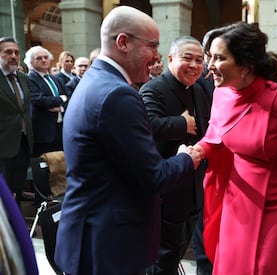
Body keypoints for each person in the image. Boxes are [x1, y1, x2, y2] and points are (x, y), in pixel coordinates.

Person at [54, 6, 202, 275]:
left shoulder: (96, 82)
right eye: (153, 46)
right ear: (123, 42)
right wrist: (186, 158)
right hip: (108, 245)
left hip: (93, 236)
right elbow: (153, 177)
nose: (157, 57)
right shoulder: (117, 95)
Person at [193, 22, 277, 275]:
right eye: (211, 58)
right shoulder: (221, 94)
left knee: (265, 269)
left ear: (246, 64)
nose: (210, 66)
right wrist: (196, 151)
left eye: (219, 58)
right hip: (236, 201)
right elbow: (215, 136)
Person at [140, 36, 210, 275]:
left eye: (199, 60)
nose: (194, 65)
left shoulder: (198, 89)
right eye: (187, 58)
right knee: (163, 257)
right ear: (170, 59)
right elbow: (146, 125)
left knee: (179, 248)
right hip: (167, 188)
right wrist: (181, 124)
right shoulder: (153, 88)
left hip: (193, 188)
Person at [0, 37, 34, 207]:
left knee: (17, 188)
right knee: (3, 193)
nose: (13, 56)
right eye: (8, 52)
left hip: (23, 142)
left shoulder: (24, 78)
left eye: (16, 52)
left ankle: (17, 226)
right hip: (3, 146)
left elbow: (24, 111)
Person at [24, 46, 68, 157]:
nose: (43, 60)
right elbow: (39, 100)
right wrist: (61, 99)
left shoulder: (56, 79)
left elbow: (69, 98)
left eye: (46, 57)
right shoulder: (29, 79)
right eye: (38, 58)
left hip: (61, 129)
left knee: (62, 165)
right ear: (30, 62)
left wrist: (61, 107)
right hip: (43, 132)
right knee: (45, 167)